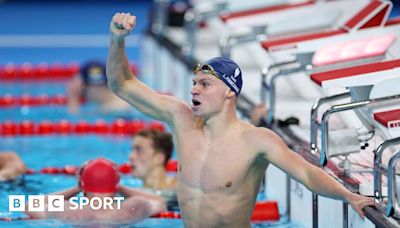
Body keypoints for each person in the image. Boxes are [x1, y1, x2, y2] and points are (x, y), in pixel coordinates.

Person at [106, 13, 375, 227]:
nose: (194, 90)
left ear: (229, 93)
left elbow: (306, 173)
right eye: (194, 83)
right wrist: (117, 40)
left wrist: (349, 196)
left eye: (205, 84)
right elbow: (122, 84)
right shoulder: (181, 119)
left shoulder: (256, 140)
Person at [26, 158, 165, 223]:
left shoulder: (66, 209)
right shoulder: (133, 207)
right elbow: (159, 202)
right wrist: (119, 185)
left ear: (84, 188)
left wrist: (76, 188)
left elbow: (27, 206)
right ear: (116, 187)